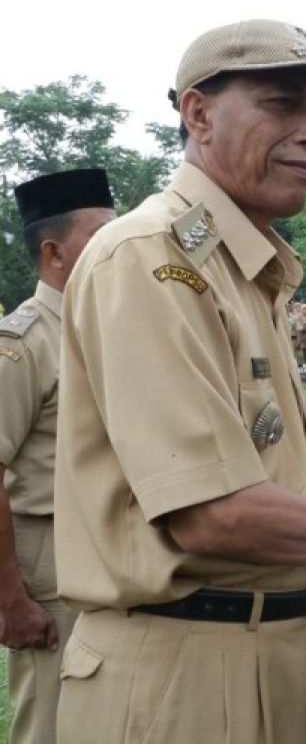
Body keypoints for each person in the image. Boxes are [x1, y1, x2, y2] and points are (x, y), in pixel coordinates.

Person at [52, 19, 306, 744]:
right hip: (181, 680)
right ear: (197, 112)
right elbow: (206, 514)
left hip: (272, 652)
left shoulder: (245, 270)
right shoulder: (149, 259)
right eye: (282, 105)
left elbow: (249, 479)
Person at [1, 169, 115, 744]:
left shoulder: (104, 326)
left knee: (103, 710)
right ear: (53, 251)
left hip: (107, 543)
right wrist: (11, 599)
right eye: (101, 236)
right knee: (51, 716)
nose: (117, 249)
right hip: (47, 553)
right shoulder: (23, 344)